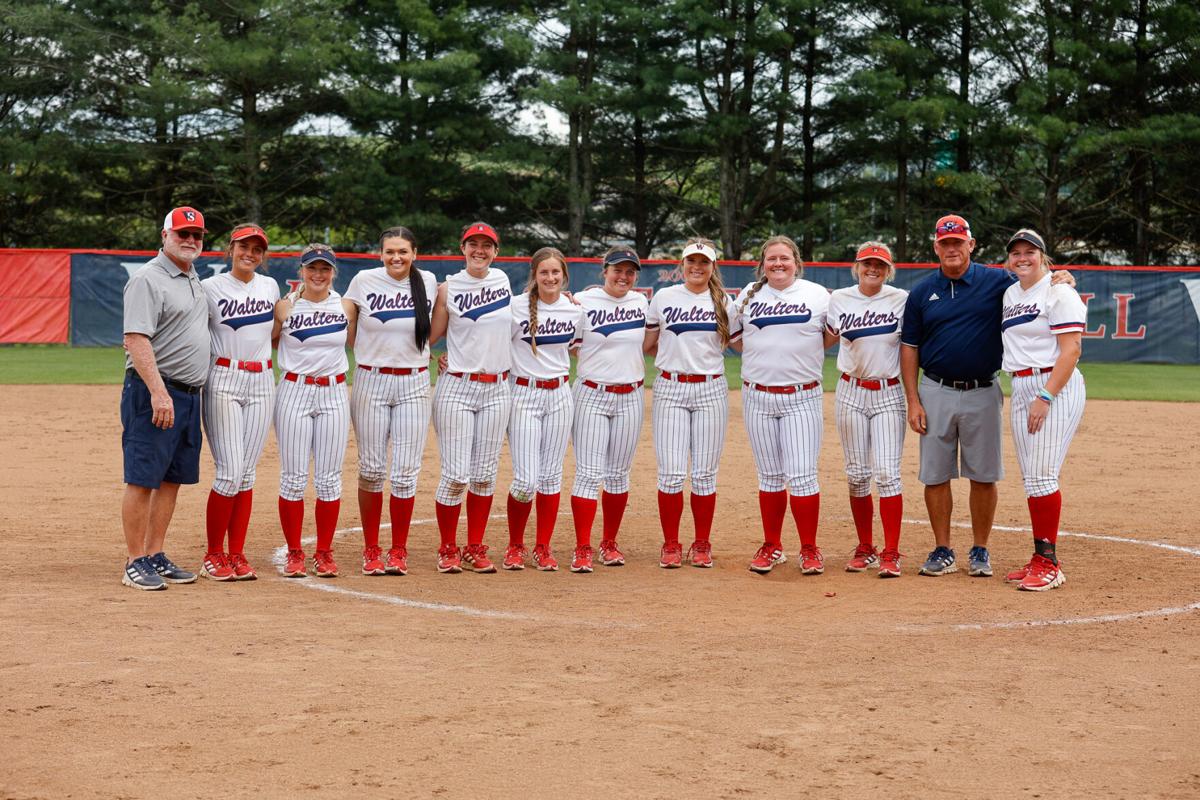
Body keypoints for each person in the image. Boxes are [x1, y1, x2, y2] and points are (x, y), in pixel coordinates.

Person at [901, 214, 1074, 578]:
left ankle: (980, 549)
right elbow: (909, 347)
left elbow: (1038, 281)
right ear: (936, 246)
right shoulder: (920, 292)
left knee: (984, 474)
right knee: (935, 474)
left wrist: (1064, 277)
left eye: (958, 242)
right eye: (945, 243)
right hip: (935, 388)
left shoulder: (998, 281)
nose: (952, 248)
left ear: (971, 244)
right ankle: (943, 548)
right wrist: (913, 400)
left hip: (982, 388)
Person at [120, 206, 210, 590]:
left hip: (189, 395)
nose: (190, 241)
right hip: (156, 391)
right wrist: (158, 392)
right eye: (182, 234)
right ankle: (134, 560)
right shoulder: (148, 279)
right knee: (143, 479)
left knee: (171, 479)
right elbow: (136, 338)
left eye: (197, 235)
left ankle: (155, 553)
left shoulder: (193, 278)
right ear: (165, 235)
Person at [731, 235, 830, 576]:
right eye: (771, 259)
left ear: (796, 262)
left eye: (784, 258)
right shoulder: (749, 294)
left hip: (802, 396)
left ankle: (809, 548)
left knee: (802, 476)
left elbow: (829, 336)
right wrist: (765, 358)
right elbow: (733, 336)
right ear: (763, 264)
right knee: (770, 476)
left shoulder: (817, 294)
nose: (778, 264)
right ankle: (772, 545)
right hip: (758, 395)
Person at [342, 226, 437, 577]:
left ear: (415, 253)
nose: (396, 257)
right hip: (371, 379)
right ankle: (371, 549)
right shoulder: (364, 280)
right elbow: (346, 322)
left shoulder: (427, 280)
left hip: (413, 382)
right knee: (370, 469)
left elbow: (447, 317)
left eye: (403, 251)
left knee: (405, 473)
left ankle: (398, 549)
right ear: (380, 254)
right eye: (390, 251)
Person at [643, 238, 740, 568]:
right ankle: (671, 543)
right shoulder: (664, 297)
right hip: (671, 388)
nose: (696, 267)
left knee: (704, 474)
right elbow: (649, 343)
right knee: (670, 473)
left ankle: (701, 543)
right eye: (691, 262)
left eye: (704, 262)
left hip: (711, 390)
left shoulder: (725, 301)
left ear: (713, 267)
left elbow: (741, 343)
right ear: (681, 265)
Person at [999, 229, 1086, 591]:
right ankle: (1039, 557)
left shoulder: (1058, 291)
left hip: (1053, 385)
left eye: (1030, 251)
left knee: (1043, 475)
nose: (1022, 257)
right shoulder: (1010, 293)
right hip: (1020, 385)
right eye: (1016, 252)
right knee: (1032, 477)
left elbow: (1072, 350)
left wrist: (1046, 396)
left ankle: (1049, 563)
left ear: (1043, 256)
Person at [428, 222, 514, 574]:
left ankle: (474, 545)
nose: (480, 250)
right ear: (462, 248)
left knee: (484, 474)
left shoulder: (505, 283)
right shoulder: (448, 288)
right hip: (457, 387)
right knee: (455, 475)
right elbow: (431, 335)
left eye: (487, 245)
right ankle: (448, 546)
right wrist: (434, 356)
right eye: (473, 244)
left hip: (497, 388)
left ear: (496, 250)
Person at [199, 223, 279, 581]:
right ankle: (213, 553)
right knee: (230, 472)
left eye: (257, 248)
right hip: (224, 378)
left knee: (246, 474)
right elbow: (188, 328)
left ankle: (237, 553)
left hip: (262, 378)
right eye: (244, 246)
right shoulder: (209, 288)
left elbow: (278, 333)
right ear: (230, 248)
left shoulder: (270, 286)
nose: (250, 253)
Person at [826, 242, 908, 577]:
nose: (872, 269)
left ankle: (891, 552)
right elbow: (820, 336)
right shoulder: (838, 299)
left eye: (879, 265)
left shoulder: (902, 299)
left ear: (888, 270)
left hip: (889, 391)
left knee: (887, 473)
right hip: (850, 391)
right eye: (867, 263)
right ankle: (865, 547)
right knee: (857, 475)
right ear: (856, 267)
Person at [502, 247, 584, 572]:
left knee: (550, 477)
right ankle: (514, 545)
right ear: (534, 276)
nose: (550, 278)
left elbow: (579, 348)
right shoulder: (515, 307)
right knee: (525, 480)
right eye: (544, 272)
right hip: (523, 393)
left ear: (564, 275)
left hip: (560, 394)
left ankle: (543, 547)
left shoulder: (574, 309)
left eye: (555, 272)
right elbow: (492, 342)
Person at [272, 244, 351, 578]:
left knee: (329, 480)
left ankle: (323, 552)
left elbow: (368, 342)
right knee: (293, 478)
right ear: (301, 270)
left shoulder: (346, 306)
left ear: (333, 272)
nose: (318, 274)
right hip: (294, 390)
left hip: (334, 391)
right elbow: (267, 342)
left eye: (325, 268)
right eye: (312, 268)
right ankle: (294, 552)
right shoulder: (284, 307)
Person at [568, 247, 650, 572]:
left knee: (617, 475)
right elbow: (563, 342)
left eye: (630, 271)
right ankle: (582, 547)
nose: (623, 276)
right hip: (591, 393)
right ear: (604, 271)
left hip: (630, 395)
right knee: (588, 474)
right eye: (617, 269)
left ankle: (609, 543)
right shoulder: (582, 302)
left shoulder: (641, 303)